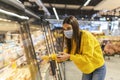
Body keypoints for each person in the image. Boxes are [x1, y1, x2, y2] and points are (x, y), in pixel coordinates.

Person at [57, 16, 106, 80]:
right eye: (64, 29)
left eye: (68, 28)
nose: (66, 31)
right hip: (87, 68)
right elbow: (68, 51)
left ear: (75, 27)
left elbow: (87, 58)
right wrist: (57, 57)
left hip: (97, 67)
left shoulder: (86, 36)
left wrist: (69, 56)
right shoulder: (71, 39)